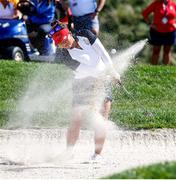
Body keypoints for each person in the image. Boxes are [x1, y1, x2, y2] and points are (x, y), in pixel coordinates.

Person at [49, 21, 121, 159]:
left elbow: (102, 52)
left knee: (102, 118)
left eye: (65, 41)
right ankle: (68, 153)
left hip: (103, 81)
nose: (64, 45)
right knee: (76, 119)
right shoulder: (64, 56)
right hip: (82, 84)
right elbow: (87, 70)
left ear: (69, 34)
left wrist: (112, 71)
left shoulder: (85, 35)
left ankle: (97, 155)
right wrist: (106, 75)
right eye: (61, 44)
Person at [142, 0, 176, 65]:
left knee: (167, 51)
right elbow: (145, 13)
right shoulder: (156, 3)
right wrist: (150, 24)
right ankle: (153, 68)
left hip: (170, 31)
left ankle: (165, 69)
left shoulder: (173, 4)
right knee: (156, 50)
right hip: (157, 31)